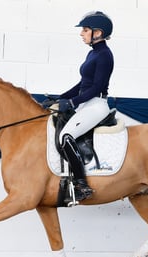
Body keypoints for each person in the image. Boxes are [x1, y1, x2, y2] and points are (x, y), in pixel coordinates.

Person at [56, 11, 114, 201]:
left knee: (66, 136)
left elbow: (96, 87)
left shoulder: (105, 55)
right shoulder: (93, 53)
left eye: (85, 30)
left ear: (98, 32)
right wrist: (60, 98)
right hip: (86, 104)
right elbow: (83, 84)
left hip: (96, 104)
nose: (81, 33)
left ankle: (82, 185)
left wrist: (72, 102)